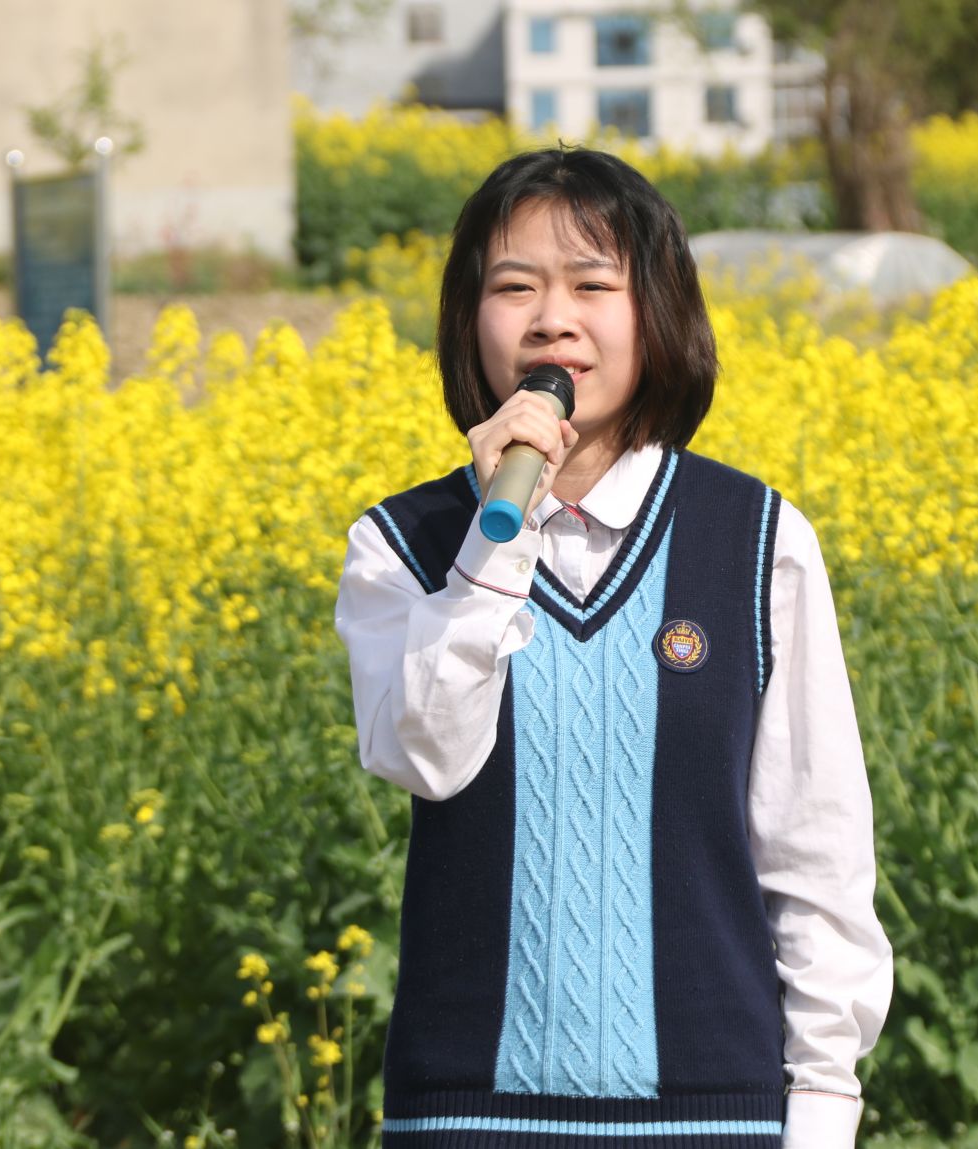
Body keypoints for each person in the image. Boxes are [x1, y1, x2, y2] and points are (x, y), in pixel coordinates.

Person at [334, 147, 892, 1148]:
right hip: (465, 1115)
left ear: (657, 314)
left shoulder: (757, 541)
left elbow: (815, 851)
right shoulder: (400, 545)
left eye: (593, 285)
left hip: (714, 1118)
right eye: (514, 287)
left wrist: (820, 1106)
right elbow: (425, 754)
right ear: (468, 320)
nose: (553, 319)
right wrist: (497, 542)